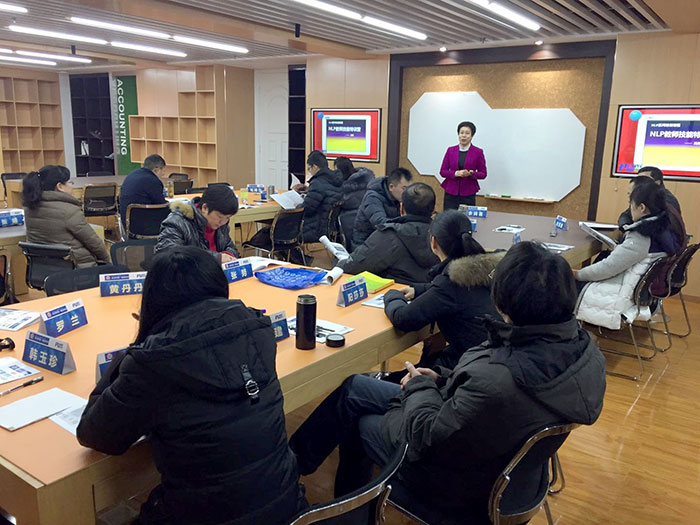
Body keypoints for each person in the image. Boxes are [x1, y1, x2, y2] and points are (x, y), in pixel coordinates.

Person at [289, 241, 606, 523]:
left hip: (457, 483)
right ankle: (292, 469)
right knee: (356, 388)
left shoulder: (497, 377)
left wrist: (420, 387)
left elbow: (429, 434)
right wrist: (444, 379)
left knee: (360, 423)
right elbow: (484, 398)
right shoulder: (583, 350)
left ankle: (341, 508)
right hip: (511, 468)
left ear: (503, 301)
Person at [76, 246, 307, 524]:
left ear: (152, 300)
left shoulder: (152, 361)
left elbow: (94, 434)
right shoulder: (256, 328)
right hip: (286, 504)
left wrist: (133, 350)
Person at [382, 209, 501, 370]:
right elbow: (457, 294)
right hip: (493, 360)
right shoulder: (482, 269)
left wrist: (392, 294)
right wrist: (419, 290)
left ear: (434, 243)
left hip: (468, 367)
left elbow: (403, 319)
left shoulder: (450, 284)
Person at [576, 182, 686, 330]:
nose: (630, 209)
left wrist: (578, 274)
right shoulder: (666, 229)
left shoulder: (641, 234)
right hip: (642, 293)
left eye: (631, 204)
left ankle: (574, 334)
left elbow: (607, 268)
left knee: (564, 283)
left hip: (621, 295)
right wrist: (621, 250)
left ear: (642, 207)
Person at [337, 183, 439, 284]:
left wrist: (340, 263)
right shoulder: (443, 235)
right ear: (434, 209)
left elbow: (353, 267)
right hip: (433, 292)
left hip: (395, 292)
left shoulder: (390, 235)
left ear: (401, 208)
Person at [22, 165, 110, 267]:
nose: (71, 186)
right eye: (69, 182)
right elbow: (95, 244)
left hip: (43, 269)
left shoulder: (29, 208)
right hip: (77, 269)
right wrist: (107, 260)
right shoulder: (69, 211)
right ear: (60, 186)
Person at [156, 184, 239, 261]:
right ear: (205, 208)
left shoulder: (221, 225)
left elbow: (231, 248)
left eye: (227, 218)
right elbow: (169, 255)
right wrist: (216, 258)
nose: (223, 222)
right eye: (220, 217)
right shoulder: (177, 222)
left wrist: (229, 256)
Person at [352, 167, 413, 247]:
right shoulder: (372, 197)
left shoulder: (398, 198)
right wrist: (404, 226)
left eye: (409, 189)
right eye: (404, 189)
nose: (407, 193)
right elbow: (380, 223)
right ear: (391, 187)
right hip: (365, 243)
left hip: (386, 240)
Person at [439, 121, 487, 210]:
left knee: (466, 217)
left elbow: (483, 174)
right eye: (461, 133)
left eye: (467, 133)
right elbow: (442, 171)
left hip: (468, 192)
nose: (464, 135)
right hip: (451, 191)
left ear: (472, 135)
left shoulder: (478, 152)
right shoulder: (450, 150)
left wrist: (471, 173)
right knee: (449, 216)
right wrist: (456, 173)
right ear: (458, 134)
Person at [298, 150, 342, 243]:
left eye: (309, 168)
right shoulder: (336, 180)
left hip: (315, 229)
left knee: (282, 231)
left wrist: (297, 206)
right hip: (331, 228)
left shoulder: (317, 183)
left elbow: (307, 209)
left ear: (315, 167)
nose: (309, 171)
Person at [336, 156, 374, 251]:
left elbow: (344, 202)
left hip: (350, 221)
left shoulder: (346, 188)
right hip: (367, 218)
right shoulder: (366, 180)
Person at [119, 154, 167, 228]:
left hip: (127, 224)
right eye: (163, 171)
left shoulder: (132, 175)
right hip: (146, 225)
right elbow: (162, 205)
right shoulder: (153, 181)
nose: (163, 175)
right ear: (157, 169)